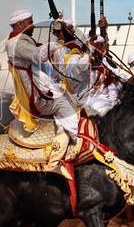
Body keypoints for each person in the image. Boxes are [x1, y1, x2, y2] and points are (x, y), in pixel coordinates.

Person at [6, 10, 79, 148]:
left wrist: (56, 34)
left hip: (45, 91)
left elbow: (48, 53)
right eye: (30, 22)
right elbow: (39, 55)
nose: (33, 26)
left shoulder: (23, 42)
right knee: (70, 115)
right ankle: (59, 157)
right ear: (20, 24)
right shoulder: (16, 44)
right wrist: (56, 35)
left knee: (77, 103)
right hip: (40, 98)